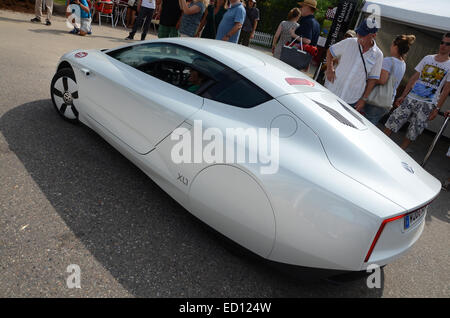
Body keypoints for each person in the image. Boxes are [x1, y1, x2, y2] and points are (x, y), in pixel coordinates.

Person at [384, 33, 450, 149]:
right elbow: (414, 77)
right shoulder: (428, 58)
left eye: (447, 44)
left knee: (413, 131)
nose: (443, 46)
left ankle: (400, 154)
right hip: (412, 97)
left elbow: (446, 89)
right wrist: (403, 95)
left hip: (428, 103)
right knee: (393, 121)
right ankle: (379, 145)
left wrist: (437, 108)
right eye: (442, 42)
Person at [324, 18, 383, 108]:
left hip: (351, 99)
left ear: (373, 35)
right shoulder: (349, 42)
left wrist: (364, 99)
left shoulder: (378, 55)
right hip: (333, 89)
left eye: (363, 34)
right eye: (359, 32)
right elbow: (330, 52)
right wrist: (329, 68)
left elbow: (372, 80)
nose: (359, 36)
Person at [361, 35, 415, 125]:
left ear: (395, 46)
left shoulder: (388, 61)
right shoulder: (403, 63)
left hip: (376, 100)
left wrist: (368, 77)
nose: (390, 47)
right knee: (371, 125)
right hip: (388, 101)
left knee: (364, 124)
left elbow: (382, 80)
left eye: (392, 44)